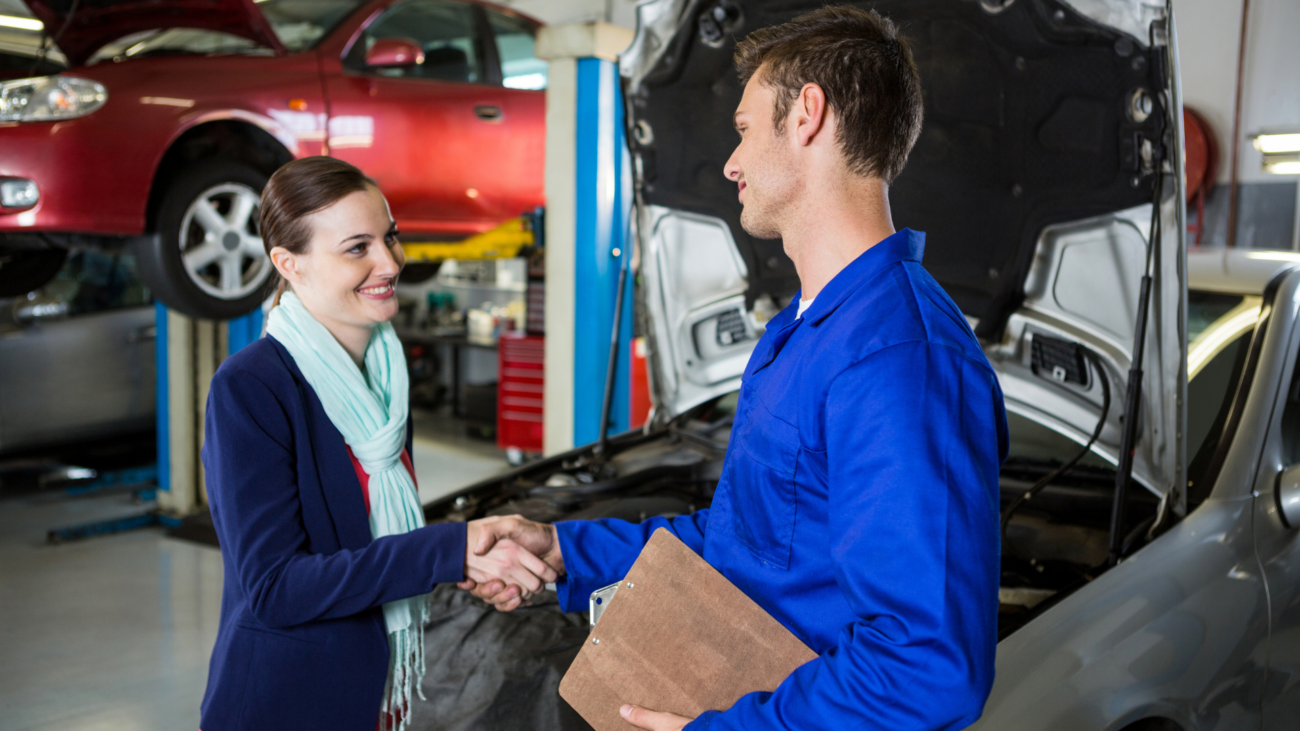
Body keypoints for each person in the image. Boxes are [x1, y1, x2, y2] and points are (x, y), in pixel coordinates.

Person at [460, 6, 1009, 731]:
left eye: (745, 129)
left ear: (807, 115)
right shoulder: (805, 329)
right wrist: (564, 550)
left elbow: (925, 668)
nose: (731, 162)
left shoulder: (900, 360)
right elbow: (742, 541)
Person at [199, 156, 556, 731]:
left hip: (376, 693)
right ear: (289, 264)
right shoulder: (251, 386)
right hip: (286, 700)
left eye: (389, 237)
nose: (390, 262)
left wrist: (467, 562)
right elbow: (275, 588)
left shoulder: (384, 376)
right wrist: (447, 550)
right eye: (357, 248)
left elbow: (368, 542)